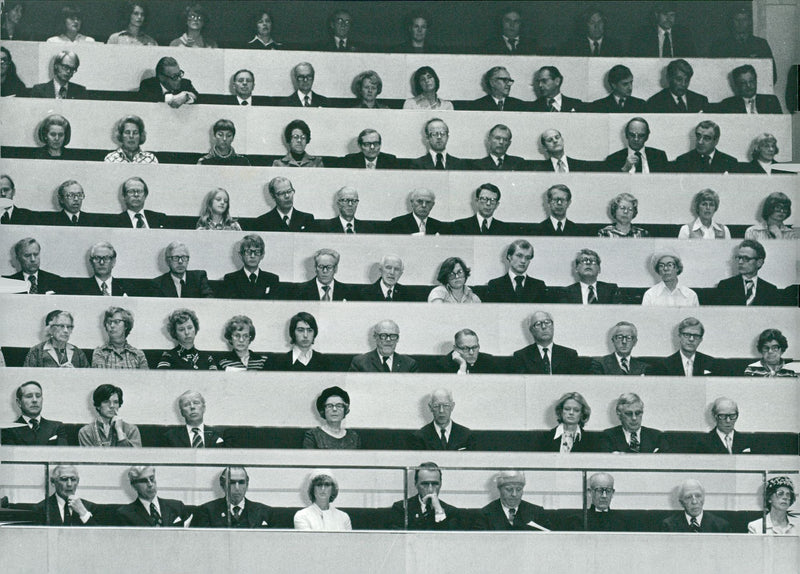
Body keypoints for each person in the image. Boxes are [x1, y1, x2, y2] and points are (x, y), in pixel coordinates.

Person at [710, 7, 776, 81]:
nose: (740, 23)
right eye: (737, 20)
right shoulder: (720, 45)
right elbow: (713, 73)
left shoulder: (760, 44)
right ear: (731, 22)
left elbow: (772, 75)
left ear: (750, 22)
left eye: (744, 20)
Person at [390, 462, 462, 530]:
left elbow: (449, 540)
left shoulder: (451, 512)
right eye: (425, 484)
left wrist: (439, 511)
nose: (430, 489)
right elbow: (400, 539)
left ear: (440, 484)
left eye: (435, 484)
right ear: (416, 484)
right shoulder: (401, 508)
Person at [194, 467, 273, 528]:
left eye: (241, 482)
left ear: (247, 484)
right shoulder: (207, 511)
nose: (237, 488)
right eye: (231, 482)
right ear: (222, 485)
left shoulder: (264, 512)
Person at [713, 239, 780, 306]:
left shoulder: (771, 290)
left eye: (746, 258)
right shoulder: (725, 286)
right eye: (739, 258)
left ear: (759, 262)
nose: (740, 262)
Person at [512, 311, 581, 375]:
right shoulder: (521, 356)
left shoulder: (570, 355)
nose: (544, 327)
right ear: (531, 331)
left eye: (547, 322)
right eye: (538, 324)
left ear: (553, 326)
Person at [117, 466, 190, 526]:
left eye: (152, 479)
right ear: (134, 486)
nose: (150, 484)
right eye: (144, 481)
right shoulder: (125, 514)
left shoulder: (177, 506)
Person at [2, 381, 67, 446]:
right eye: (29, 396)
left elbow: (63, 454)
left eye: (38, 396)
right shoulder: (9, 430)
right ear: (19, 402)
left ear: (42, 400)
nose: (35, 400)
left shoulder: (57, 427)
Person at [480, 471, 549, 531]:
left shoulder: (537, 512)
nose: (514, 494)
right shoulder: (485, 514)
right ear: (499, 490)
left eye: (519, 489)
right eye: (509, 489)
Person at [410, 388, 476, 451]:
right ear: (430, 407)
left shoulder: (466, 435)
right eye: (436, 406)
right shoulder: (419, 436)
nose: (441, 410)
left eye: (446, 405)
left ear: (452, 406)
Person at [601, 393, 669, 453]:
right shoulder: (608, 436)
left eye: (638, 413)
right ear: (619, 415)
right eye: (629, 413)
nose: (634, 418)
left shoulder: (657, 436)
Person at [221, 235, 280, 299]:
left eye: (257, 252)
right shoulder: (230, 279)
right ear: (241, 255)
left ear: (262, 255)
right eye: (248, 252)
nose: (252, 256)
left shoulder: (272, 279)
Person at [24, 310, 89, 368]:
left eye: (69, 327)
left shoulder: (78, 353)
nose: (66, 331)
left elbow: (89, 378)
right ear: (50, 329)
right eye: (61, 326)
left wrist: (75, 374)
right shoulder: (36, 352)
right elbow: (27, 377)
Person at [163, 390, 228, 447]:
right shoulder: (170, 437)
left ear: (204, 408)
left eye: (196, 403)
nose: (192, 407)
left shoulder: (219, 434)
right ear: (182, 412)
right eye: (186, 404)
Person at [661, 480, 731, 533]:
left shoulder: (721, 526)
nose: (694, 501)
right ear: (681, 502)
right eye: (688, 497)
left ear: (703, 498)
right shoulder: (668, 526)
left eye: (698, 496)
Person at [348, 320, 418, 372]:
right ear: (375, 337)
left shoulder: (409, 364)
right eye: (383, 335)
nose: (388, 340)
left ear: (397, 339)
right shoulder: (360, 363)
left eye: (393, 336)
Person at [603, 117, 669, 173]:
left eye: (641, 136)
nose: (636, 139)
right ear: (626, 135)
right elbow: (610, 185)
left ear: (647, 137)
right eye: (632, 135)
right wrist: (625, 169)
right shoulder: (613, 159)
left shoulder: (659, 156)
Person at [71, 241, 137, 297]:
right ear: (91, 262)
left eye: (106, 258)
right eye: (97, 258)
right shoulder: (80, 290)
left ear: (113, 262)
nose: (101, 262)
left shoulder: (126, 288)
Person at [630, 2, 696, 57]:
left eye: (672, 15)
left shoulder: (684, 34)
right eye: (665, 14)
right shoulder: (644, 34)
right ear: (656, 15)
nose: (668, 19)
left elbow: (692, 58)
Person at [558, 248, 622, 304]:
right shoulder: (566, 292)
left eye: (593, 261)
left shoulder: (611, 289)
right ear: (576, 268)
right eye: (583, 261)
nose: (588, 263)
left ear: (599, 269)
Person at [673, 121, 739, 173]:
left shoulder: (730, 163)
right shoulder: (683, 161)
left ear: (716, 141)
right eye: (698, 136)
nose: (700, 142)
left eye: (706, 138)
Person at [716, 65, 781, 114]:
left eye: (751, 81)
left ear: (756, 81)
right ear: (736, 85)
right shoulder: (727, 104)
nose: (748, 86)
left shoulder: (771, 101)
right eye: (743, 83)